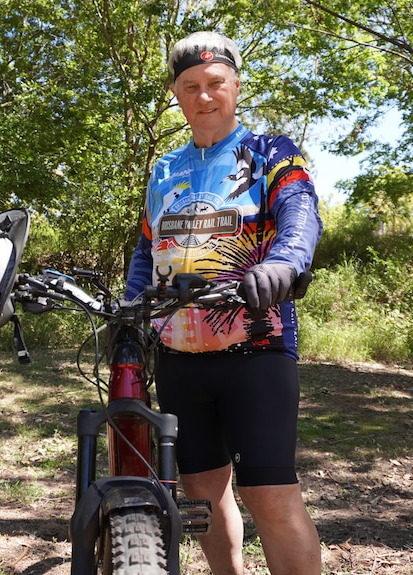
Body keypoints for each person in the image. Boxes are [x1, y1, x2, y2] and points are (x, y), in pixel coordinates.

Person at [124, 31, 323, 575]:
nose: (204, 96)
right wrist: (128, 309)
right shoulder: (165, 169)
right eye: (190, 87)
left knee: (270, 496)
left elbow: (300, 212)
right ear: (176, 93)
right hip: (179, 356)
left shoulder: (270, 152)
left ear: (235, 86)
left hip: (256, 348)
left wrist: (284, 263)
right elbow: (148, 249)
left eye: (215, 84)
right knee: (202, 495)